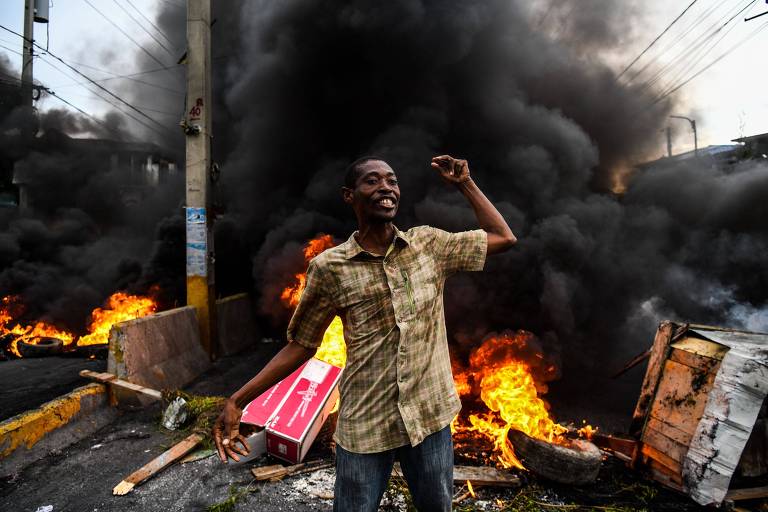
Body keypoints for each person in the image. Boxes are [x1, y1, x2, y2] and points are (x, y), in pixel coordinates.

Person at [213, 155, 516, 511]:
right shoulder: (329, 269)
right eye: (372, 181)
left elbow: (503, 237)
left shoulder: (429, 246)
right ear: (349, 195)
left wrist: (465, 183)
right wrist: (238, 399)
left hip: (429, 420)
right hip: (365, 427)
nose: (385, 187)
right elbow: (301, 345)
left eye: (392, 180)